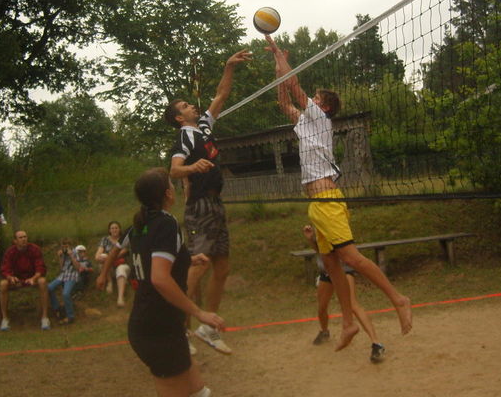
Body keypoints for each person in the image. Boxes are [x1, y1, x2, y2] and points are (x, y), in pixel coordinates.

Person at [265, 35, 412, 351]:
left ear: (325, 107)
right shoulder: (306, 124)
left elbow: (294, 87)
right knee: (331, 266)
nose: (311, 100)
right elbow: (284, 102)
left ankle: (398, 299)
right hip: (316, 204)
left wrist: (280, 56)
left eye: (316, 98)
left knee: (351, 258)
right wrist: (278, 68)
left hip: (328, 200)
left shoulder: (320, 119)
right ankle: (348, 323)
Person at [164, 48, 251, 355]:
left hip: (216, 204)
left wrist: (229, 66)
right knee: (198, 266)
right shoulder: (184, 137)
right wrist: (193, 168)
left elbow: (221, 95)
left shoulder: (203, 126)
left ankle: (207, 328)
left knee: (222, 267)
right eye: (185, 106)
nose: (192, 105)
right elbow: (174, 170)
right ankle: (178, 329)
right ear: (179, 117)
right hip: (199, 206)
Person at [122, 167, 222, 397]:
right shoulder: (166, 222)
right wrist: (199, 313)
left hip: (159, 324)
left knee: (199, 392)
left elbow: (153, 260)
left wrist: (187, 259)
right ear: (167, 193)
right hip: (158, 328)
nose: (175, 188)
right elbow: (159, 278)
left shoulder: (144, 223)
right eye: (171, 184)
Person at [303, 225, 385, 363]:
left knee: (353, 305)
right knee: (322, 307)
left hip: (343, 271)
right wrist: (311, 239)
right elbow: (321, 251)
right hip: (327, 272)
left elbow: (344, 252)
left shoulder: (337, 227)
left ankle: (376, 343)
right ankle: (324, 332)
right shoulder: (320, 226)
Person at [0, 230, 51, 331]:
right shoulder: (10, 252)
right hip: (16, 279)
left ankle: (45, 317)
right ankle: (5, 319)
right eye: (20, 237)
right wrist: (11, 278)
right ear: (15, 241)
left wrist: (34, 278)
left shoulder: (35, 249)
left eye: (25, 237)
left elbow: (41, 268)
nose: (23, 239)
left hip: (32, 278)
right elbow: (5, 269)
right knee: (3, 284)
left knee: (43, 282)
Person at [48, 240, 93, 324]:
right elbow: (62, 268)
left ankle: (70, 316)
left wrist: (71, 256)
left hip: (72, 275)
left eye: (67, 245)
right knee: (49, 288)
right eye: (63, 245)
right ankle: (57, 308)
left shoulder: (76, 253)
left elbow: (78, 267)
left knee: (66, 293)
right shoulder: (63, 253)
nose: (65, 246)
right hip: (63, 275)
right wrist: (60, 257)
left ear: (70, 245)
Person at [95, 221, 132, 307]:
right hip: (109, 267)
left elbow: (121, 253)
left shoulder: (124, 239)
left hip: (121, 264)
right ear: (109, 230)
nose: (114, 230)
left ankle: (120, 297)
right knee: (102, 258)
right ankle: (110, 282)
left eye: (116, 228)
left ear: (119, 229)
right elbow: (97, 255)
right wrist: (102, 257)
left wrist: (108, 258)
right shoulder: (105, 240)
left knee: (121, 269)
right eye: (112, 228)